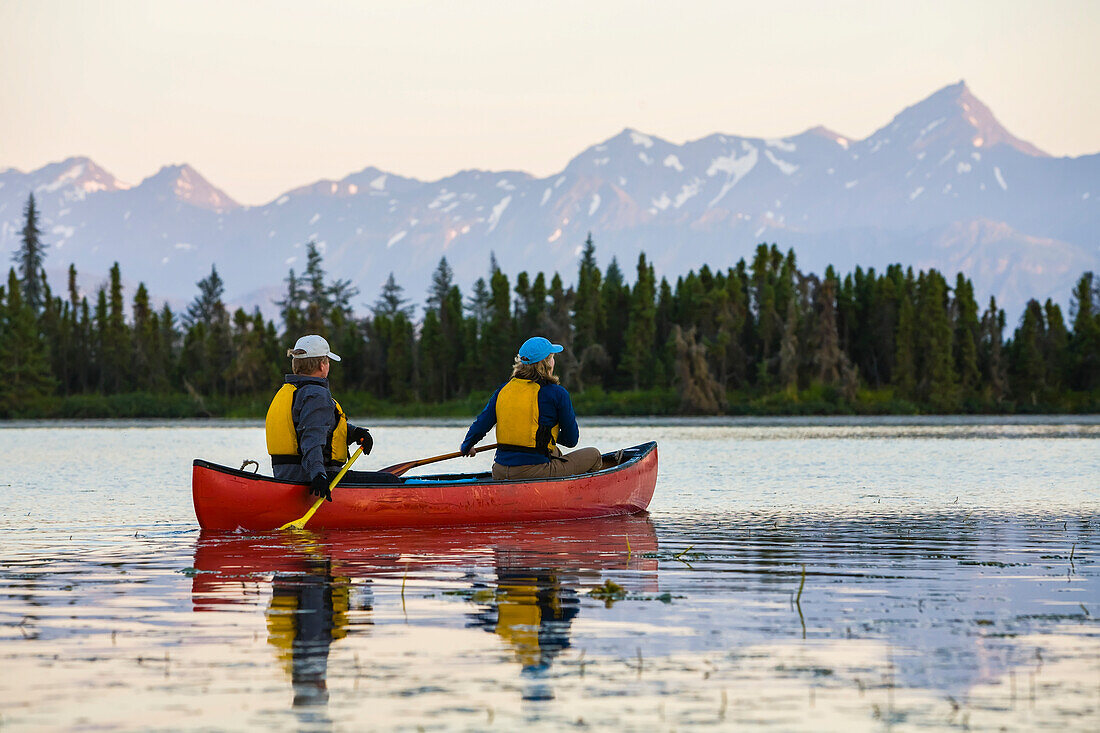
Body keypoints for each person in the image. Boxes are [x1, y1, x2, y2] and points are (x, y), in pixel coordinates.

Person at [266, 334, 401, 501]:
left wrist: (355, 432)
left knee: (388, 479)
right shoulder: (316, 394)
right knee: (392, 480)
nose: (328, 366)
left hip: (287, 477)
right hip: (314, 478)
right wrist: (318, 475)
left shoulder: (293, 390)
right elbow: (311, 439)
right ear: (322, 365)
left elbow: (319, 424)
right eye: (328, 362)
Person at [460, 336, 603, 479]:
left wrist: (467, 446)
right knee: (594, 454)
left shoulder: (503, 390)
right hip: (532, 473)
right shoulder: (558, 393)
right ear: (546, 363)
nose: (554, 361)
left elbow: (481, 425)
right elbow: (571, 440)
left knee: (555, 452)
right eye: (552, 358)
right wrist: (546, 434)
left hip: (499, 471)